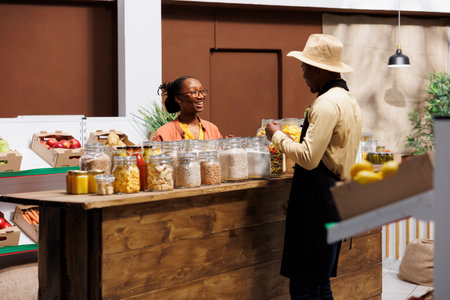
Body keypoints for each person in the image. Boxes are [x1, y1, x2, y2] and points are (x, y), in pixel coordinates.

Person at [265, 34, 362, 300]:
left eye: (305, 67)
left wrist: (276, 135)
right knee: (320, 284)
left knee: (304, 287)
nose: (303, 73)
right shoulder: (348, 100)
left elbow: (308, 158)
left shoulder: (326, 103)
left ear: (319, 69)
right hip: (334, 200)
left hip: (316, 205)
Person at [152, 76, 223, 141]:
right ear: (178, 99)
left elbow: (221, 153)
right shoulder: (164, 133)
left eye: (201, 91)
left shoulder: (212, 129)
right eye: (193, 92)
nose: (200, 96)